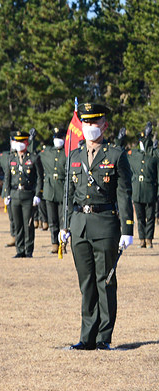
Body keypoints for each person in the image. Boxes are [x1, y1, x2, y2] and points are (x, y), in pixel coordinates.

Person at [58, 103, 133, 350]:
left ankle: (103, 337)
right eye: (86, 123)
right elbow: (68, 195)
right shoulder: (75, 156)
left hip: (105, 225)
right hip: (79, 226)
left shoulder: (115, 155)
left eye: (95, 122)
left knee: (105, 281)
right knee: (86, 282)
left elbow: (124, 194)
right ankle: (86, 337)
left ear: (105, 125)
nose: (91, 127)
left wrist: (127, 230)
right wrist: (64, 225)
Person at [1, 129, 44, 258]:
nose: (19, 144)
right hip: (14, 194)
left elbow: (40, 178)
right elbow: (7, 178)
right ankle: (19, 250)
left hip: (28, 195)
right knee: (17, 224)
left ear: (26, 142)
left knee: (28, 224)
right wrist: (6, 194)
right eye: (16, 141)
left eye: (21, 141)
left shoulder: (34, 158)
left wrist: (38, 194)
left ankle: (28, 250)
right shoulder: (11, 158)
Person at [128, 123, 158, 248]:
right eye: (141, 140)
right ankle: (141, 239)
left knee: (150, 217)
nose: (142, 142)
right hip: (137, 190)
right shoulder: (134, 154)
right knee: (140, 217)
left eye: (144, 140)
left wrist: (150, 139)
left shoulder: (153, 155)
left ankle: (149, 239)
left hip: (150, 190)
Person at [39, 127, 68, 253]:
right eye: (55, 138)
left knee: (63, 220)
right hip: (49, 189)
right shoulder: (47, 152)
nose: (57, 141)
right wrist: (32, 141)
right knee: (52, 220)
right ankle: (54, 244)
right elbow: (33, 157)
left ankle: (63, 244)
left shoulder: (67, 153)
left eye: (59, 138)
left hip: (62, 189)